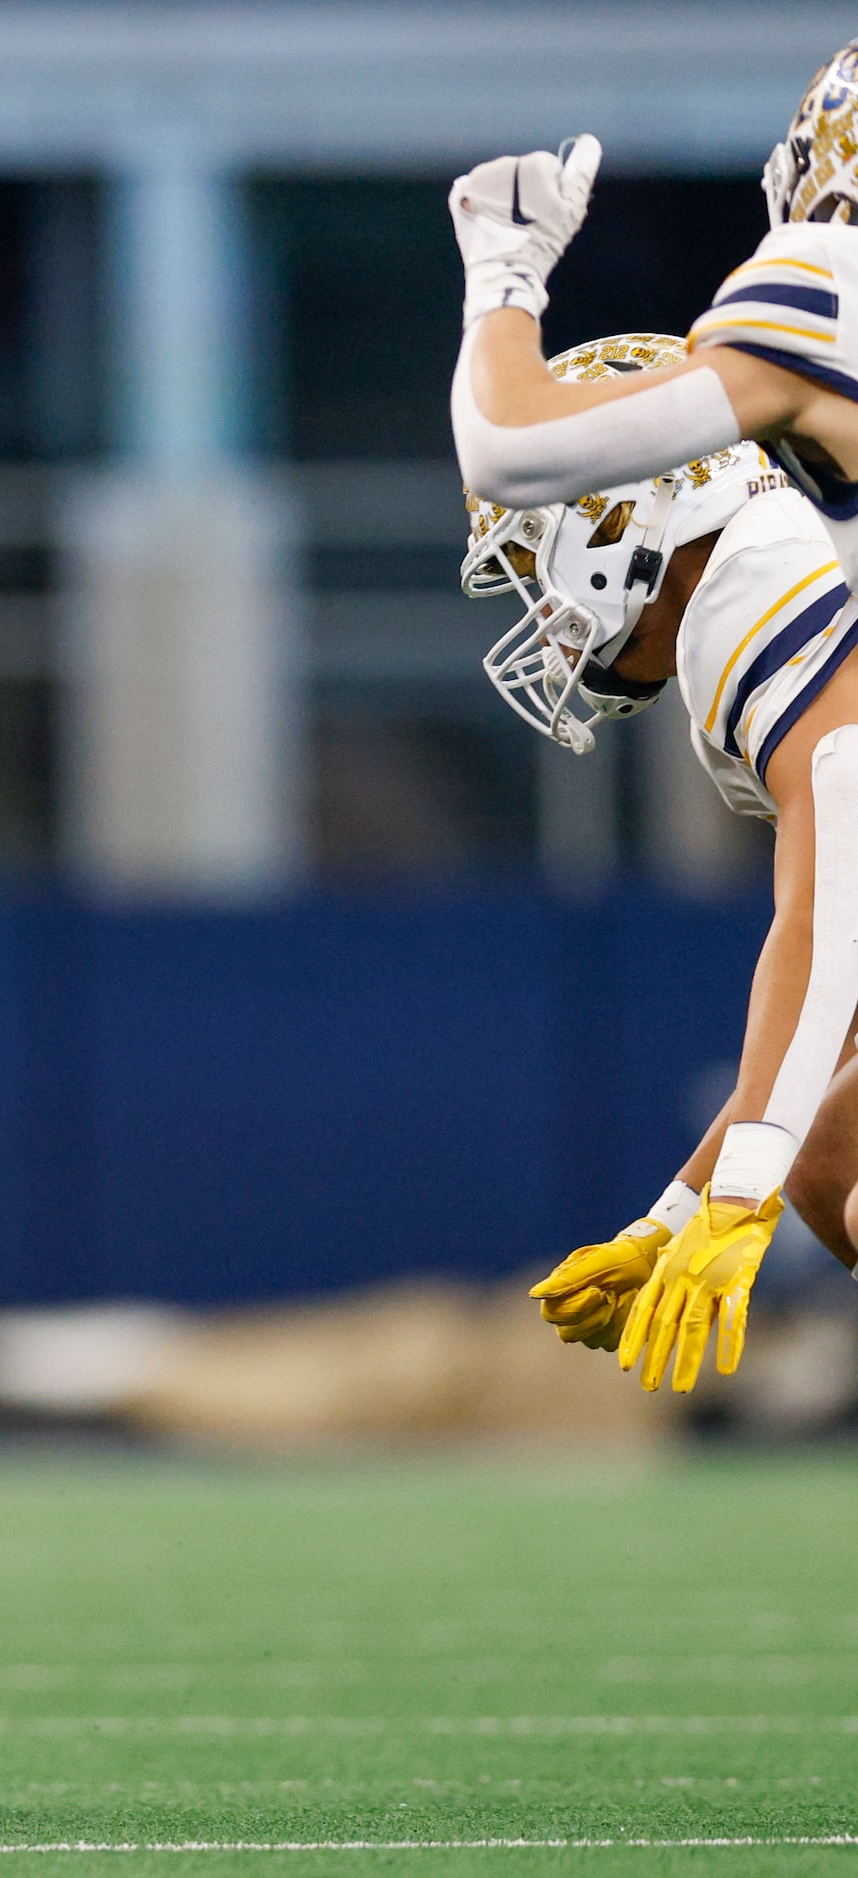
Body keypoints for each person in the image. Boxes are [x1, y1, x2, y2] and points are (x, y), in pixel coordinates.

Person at [447, 41, 858, 1391]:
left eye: (540, 559)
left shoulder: (759, 543)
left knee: (828, 1174)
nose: (545, 606)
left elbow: (844, 841)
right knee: (834, 1153)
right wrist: (697, 1194)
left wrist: (504, 275)